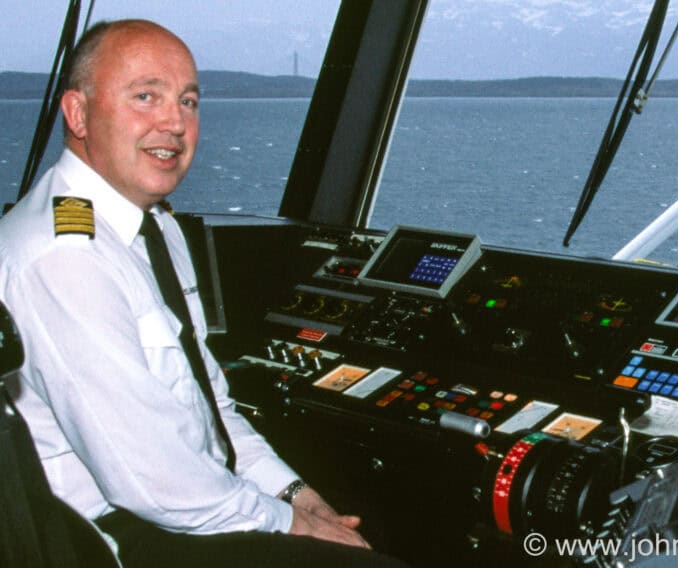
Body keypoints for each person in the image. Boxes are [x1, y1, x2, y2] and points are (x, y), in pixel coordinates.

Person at [0, 19, 405, 568]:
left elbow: (212, 407)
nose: (174, 122)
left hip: (193, 504)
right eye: (146, 96)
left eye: (188, 101)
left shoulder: (154, 228)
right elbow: (152, 480)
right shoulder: (66, 258)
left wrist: (298, 498)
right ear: (77, 114)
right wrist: (289, 524)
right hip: (121, 540)